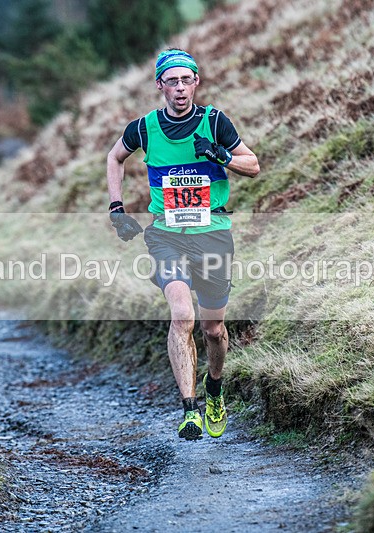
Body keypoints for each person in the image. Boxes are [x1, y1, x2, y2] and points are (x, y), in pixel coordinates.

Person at [106, 49, 260, 441]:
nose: (179, 88)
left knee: (212, 329)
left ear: (196, 83)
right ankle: (189, 410)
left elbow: (253, 166)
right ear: (160, 85)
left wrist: (220, 155)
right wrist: (117, 208)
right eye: (171, 81)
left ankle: (214, 389)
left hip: (213, 233)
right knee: (181, 315)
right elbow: (114, 157)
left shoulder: (214, 121)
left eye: (185, 80)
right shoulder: (144, 128)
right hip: (166, 235)